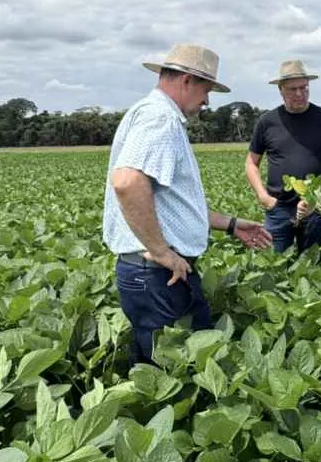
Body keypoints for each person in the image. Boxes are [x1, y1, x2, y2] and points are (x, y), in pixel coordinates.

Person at [103, 43, 271, 367]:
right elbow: (127, 182)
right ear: (187, 81)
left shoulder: (149, 113)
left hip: (149, 274)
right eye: (206, 90)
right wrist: (163, 251)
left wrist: (233, 225)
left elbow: (170, 206)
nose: (207, 101)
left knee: (155, 370)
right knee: (183, 372)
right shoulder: (159, 118)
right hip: (158, 275)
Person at [244, 60, 321, 254]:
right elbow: (251, 162)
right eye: (292, 89)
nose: (299, 93)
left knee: (313, 265)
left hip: (315, 205)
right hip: (278, 207)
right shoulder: (267, 121)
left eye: (304, 87)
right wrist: (263, 197)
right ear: (281, 90)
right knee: (273, 263)